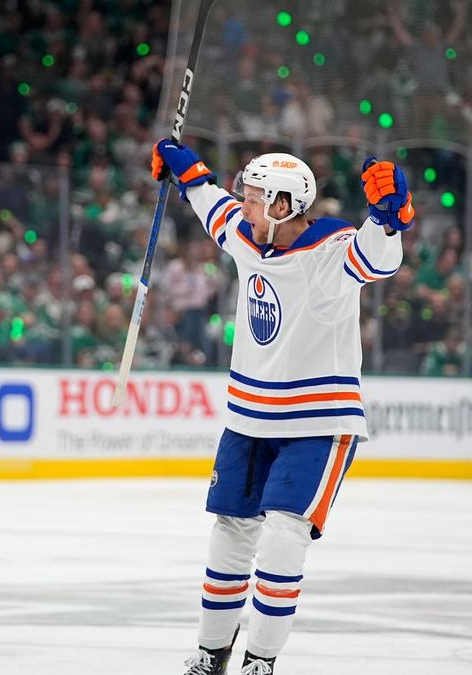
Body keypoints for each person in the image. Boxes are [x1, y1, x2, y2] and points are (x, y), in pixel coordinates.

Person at [151, 140, 412, 675]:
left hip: (319, 421)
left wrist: (389, 219)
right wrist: (187, 171)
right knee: (230, 531)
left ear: (284, 205)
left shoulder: (333, 250)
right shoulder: (249, 235)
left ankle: (260, 662)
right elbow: (213, 206)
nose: (242, 204)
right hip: (248, 418)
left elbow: (377, 258)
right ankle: (211, 653)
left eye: (253, 197)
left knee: (283, 537)